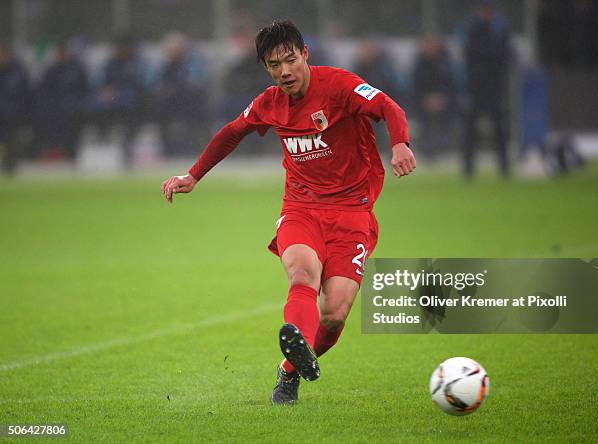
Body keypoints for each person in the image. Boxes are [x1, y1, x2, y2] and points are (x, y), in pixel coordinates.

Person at [161, 21, 416, 405]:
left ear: (305, 54)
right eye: (274, 65)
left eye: (290, 60)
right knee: (301, 274)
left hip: (352, 212)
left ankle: (289, 370)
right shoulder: (269, 103)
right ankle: (296, 347)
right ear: (265, 67)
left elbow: (387, 106)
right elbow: (232, 132)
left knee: (334, 313)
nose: (284, 72)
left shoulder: (340, 86)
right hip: (301, 208)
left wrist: (399, 144)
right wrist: (193, 175)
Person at [461, 0, 511, 178]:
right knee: (471, 130)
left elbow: (504, 55)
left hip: (492, 87)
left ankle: (504, 167)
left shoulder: (495, 28)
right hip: (477, 87)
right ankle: (468, 169)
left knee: (499, 130)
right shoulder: (476, 28)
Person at [88, 35, 145, 168]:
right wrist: (107, 90)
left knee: (128, 102)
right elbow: (100, 82)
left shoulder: (137, 63)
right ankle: (102, 136)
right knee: (96, 103)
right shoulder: (110, 64)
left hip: (130, 98)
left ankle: (127, 143)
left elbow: (140, 84)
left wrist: (118, 92)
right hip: (112, 98)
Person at [32, 41, 88, 162]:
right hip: (55, 107)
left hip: (73, 106)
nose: (62, 55)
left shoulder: (77, 69)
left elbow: (84, 89)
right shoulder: (52, 70)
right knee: (43, 114)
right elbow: (44, 90)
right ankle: (49, 149)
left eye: (64, 52)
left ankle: (69, 150)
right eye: (59, 53)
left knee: (69, 117)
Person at [411, 36, 456, 160]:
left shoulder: (446, 62)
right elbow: (415, 86)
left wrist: (441, 98)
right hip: (423, 102)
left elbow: (451, 85)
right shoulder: (419, 64)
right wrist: (426, 99)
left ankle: (443, 147)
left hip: (444, 101)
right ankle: (427, 150)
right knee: (423, 120)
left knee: (446, 116)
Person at [0, 41, 30, 175]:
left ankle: (10, 166)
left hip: (13, 114)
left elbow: (26, 94)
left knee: (11, 140)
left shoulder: (18, 71)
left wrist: (23, 113)